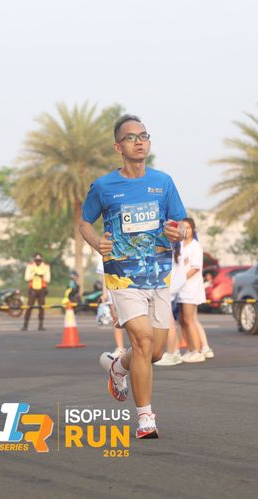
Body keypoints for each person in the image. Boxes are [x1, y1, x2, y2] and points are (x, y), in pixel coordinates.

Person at [80, 114, 187, 439]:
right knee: (141, 341)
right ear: (118, 147)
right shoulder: (104, 186)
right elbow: (84, 222)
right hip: (122, 275)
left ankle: (118, 367)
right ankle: (145, 418)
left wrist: (179, 232)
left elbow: (181, 223)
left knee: (155, 352)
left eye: (143, 136)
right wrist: (97, 243)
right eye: (130, 137)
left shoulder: (163, 182)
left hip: (158, 275)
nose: (139, 142)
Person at [174, 217, 214, 362]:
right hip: (180, 289)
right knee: (182, 320)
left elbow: (195, 268)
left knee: (189, 320)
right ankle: (191, 349)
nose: (186, 230)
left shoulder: (195, 246)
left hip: (191, 289)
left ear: (193, 230)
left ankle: (198, 351)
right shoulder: (179, 245)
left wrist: (181, 279)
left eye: (188, 228)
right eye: (183, 227)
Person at [96, 255, 126, 357]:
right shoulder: (106, 251)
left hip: (129, 287)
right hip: (112, 289)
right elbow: (105, 274)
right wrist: (104, 293)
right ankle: (120, 348)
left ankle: (137, 347)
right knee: (116, 318)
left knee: (133, 319)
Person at [23, 252, 51, 331]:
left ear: (41, 260)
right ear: (34, 260)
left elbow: (48, 279)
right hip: (32, 289)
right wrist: (34, 274)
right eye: (36, 260)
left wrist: (40, 275)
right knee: (29, 307)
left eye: (39, 260)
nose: (38, 262)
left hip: (42, 289)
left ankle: (40, 325)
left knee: (41, 307)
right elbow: (26, 278)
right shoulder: (30, 266)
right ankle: (25, 325)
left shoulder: (46, 267)